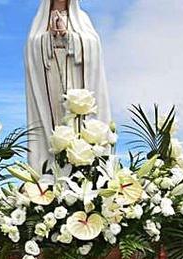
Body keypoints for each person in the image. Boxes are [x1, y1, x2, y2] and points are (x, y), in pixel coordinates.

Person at [25, 0, 110, 170]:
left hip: (76, 76)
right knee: (56, 119)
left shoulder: (81, 18)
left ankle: (82, 164)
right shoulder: (40, 21)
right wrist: (48, 38)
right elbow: (31, 48)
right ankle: (51, 167)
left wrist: (67, 35)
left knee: (76, 117)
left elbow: (93, 45)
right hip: (51, 77)